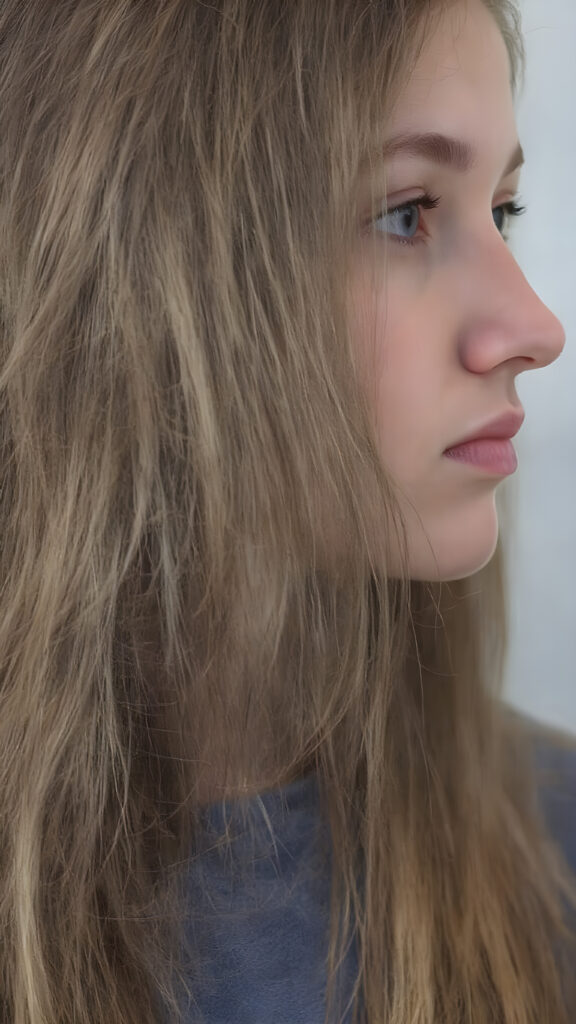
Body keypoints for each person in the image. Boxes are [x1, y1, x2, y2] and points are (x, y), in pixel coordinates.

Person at [0, 0, 575, 1021]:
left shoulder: (555, 856)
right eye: (407, 213)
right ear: (131, 269)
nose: (533, 326)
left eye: (505, 208)